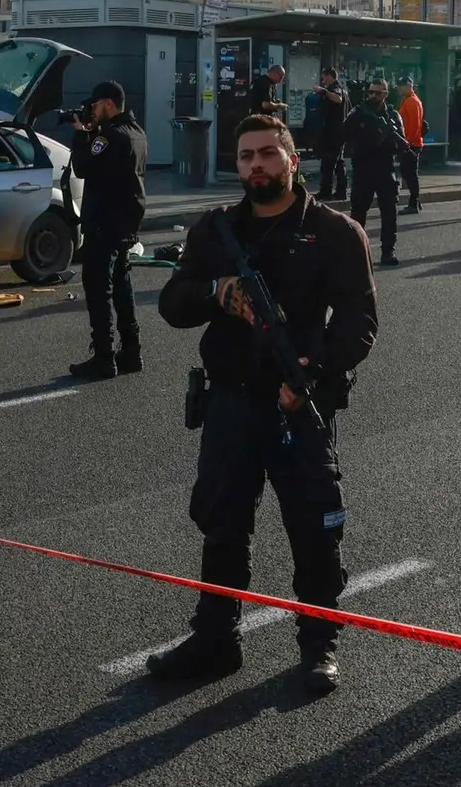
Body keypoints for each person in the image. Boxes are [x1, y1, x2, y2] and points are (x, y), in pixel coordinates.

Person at [147, 113, 378, 690]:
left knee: (314, 528)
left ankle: (318, 643)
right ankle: (216, 639)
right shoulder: (216, 231)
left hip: (299, 404)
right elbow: (173, 304)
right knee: (222, 522)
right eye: (247, 156)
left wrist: (315, 372)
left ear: (293, 159)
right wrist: (216, 292)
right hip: (230, 403)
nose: (257, 165)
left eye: (269, 154)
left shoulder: (334, 232)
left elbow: (360, 322)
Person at [68, 78, 148, 380]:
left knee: (98, 288)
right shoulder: (137, 133)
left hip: (105, 222)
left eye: (95, 105)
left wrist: (80, 136)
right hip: (126, 222)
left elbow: (83, 167)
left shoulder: (110, 137)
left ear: (109, 104)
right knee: (122, 286)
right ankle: (131, 350)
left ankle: (104, 357)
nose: (92, 110)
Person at [343, 80, 414, 266]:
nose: (373, 96)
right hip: (363, 168)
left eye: (378, 93)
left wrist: (385, 139)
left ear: (385, 94)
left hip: (384, 168)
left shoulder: (392, 115)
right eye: (371, 92)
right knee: (358, 213)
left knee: (389, 212)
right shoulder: (359, 112)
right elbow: (344, 133)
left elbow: (401, 144)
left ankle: (388, 251)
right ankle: (355, 251)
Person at [305, 67, 349, 202]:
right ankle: (341, 192)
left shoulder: (335, 89)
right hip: (338, 133)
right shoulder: (343, 90)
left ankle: (326, 192)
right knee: (339, 164)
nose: (323, 81)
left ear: (330, 76)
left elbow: (338, 99)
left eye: (324, 78)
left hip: (333, 134)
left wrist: (324, 91)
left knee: (328, 164)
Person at [396, 79, 426, 213]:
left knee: (410, 174)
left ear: (409, 86)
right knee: (408, 173)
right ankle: (415, 201)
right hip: (410, 142)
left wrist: (407, 143)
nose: (399, 89)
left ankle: (414, 203)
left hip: (411, 143)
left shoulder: (412, 101)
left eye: (401, 86)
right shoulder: (409, 100)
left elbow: (414, 125)